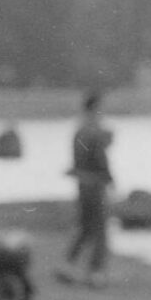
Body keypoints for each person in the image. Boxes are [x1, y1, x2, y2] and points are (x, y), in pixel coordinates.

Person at [58, 91, 115, 287]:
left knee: (84, 227)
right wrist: (110, 179)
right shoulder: (94, 130)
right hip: (96, 185)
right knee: (99, 229)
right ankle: (95, 273)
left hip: (82, 184)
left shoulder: (79, 129)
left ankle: (68, 265)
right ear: (95, 108)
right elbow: (100, 159)